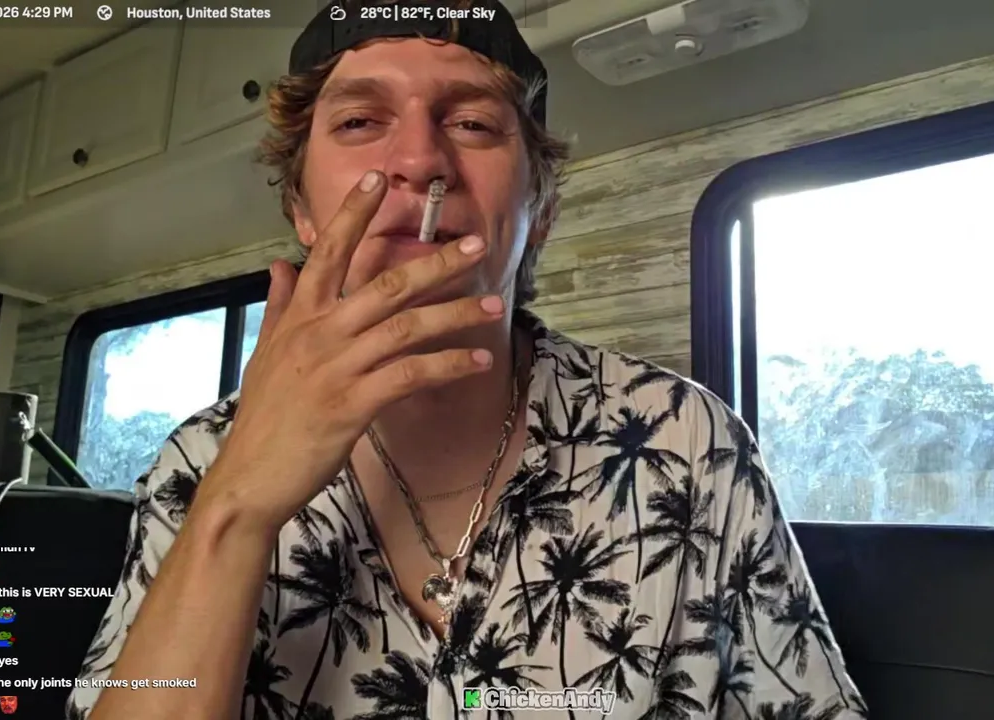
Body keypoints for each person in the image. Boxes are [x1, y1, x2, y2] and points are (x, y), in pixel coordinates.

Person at [67, 1, 869, 718]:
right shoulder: (198, 463)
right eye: (360, 122)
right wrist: (235, 509)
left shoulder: (687, 441)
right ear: (301, 208)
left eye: (475, 124)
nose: (420, 160)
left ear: (539, 207)